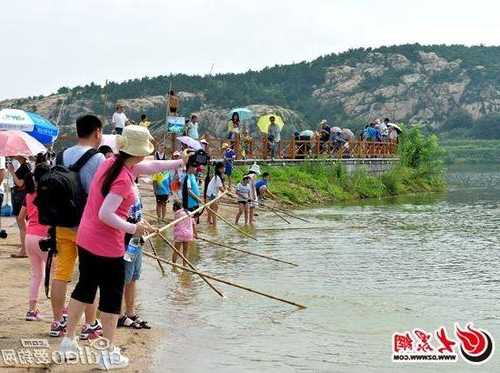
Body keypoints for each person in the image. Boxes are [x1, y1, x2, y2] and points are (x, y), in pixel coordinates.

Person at [59, 125, 185, 369]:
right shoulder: (123, 181)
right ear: (138, 152)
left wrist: (176, 163)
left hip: (86, 237)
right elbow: (106, 214)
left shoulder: (111, 162)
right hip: (106, 245)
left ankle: (68, 341)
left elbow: (149, 166)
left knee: (84, 287)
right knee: (110, 298)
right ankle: (106, 354)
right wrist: (133, 227)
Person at [50, 115, 106, 339]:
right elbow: (97, 194)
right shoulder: (98, 158)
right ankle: (90, 324)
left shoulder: (62, 155)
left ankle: (57, 322)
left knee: (61, 272)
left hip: (63, 222)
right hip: (87, 226)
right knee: (89, 275)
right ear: (97, 132)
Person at [18, 165, 50, 321]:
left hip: (30, 237)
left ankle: (32, 310)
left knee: (36, 275)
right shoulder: (48, 194)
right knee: (57, 275)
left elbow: (20, 218)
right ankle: (62, 309)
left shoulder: (29, 194)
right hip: (44, 238)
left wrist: (25, 231)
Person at [118, 180, 150, 330]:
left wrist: (147, 226)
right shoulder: (121, 187)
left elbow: (139, 215)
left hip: (136, 241)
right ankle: (118, 315)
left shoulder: (135, 187)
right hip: (127, 241)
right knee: (124, 278)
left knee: (133, 277)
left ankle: (130, 312)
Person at [8, 156, 31, 258]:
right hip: (21, 195)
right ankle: (24, 248)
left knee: (22, 224)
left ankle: (24, 250)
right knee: (23, 224)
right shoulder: (26, 166)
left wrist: (12, 172)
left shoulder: (24, 167)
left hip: (20, 196)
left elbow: (20, 183)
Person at [172, 200, 196, 266]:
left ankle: (173, 266)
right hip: (188, 234)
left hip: (180, 234)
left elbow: (175, 224)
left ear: (176, 207)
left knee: (176, 251)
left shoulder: (177, 213)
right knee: (185, 251)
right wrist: (195, 233)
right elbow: (194, 224)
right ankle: (184, 265)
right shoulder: (189, 213)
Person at [204, 162, 225, 226]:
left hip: (210, 193)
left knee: (212, 208)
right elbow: (221, 189)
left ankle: (209, 221)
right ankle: (214, 225)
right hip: (212, 194)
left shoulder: (217, 176)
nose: (224, 169)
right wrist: (226, 192)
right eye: (223, 168)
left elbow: (221, 186)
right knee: (214, 210)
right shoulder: (217, 177)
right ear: (219, 169)